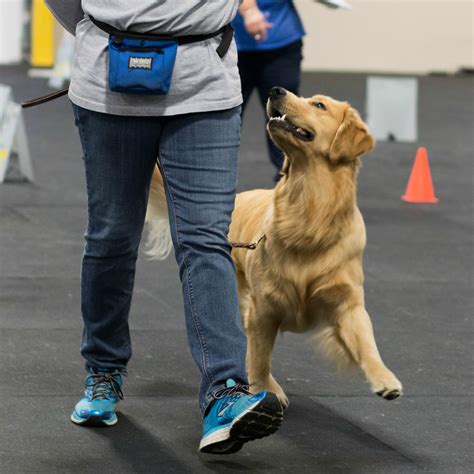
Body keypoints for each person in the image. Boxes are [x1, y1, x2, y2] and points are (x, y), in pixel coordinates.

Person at [45, 0, 283, 454]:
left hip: (205, 86)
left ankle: (225, 392)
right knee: (111, 235)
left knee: (206, 239)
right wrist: (103, 33)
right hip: (108, 79)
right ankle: (103, 372)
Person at [233, 0, 305, 181]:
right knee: (223, 119)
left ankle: (289, 186)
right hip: (230, 42)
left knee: (285, 119)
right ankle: (208, 192)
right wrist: (248, 8)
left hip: (281, 41)